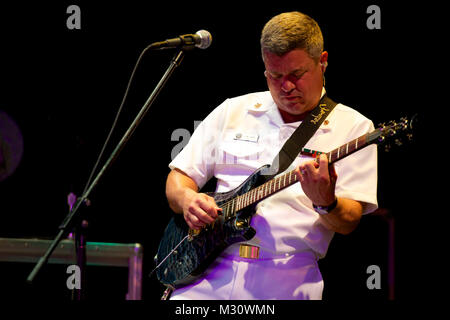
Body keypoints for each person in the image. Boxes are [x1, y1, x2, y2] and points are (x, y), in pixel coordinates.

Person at [165, 11, 378, 300]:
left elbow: (350, 220)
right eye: (275, 76)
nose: (286, 86)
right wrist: (189, 200)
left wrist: (325, 202)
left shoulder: (354, 127)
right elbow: (179, 177)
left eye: (296, 75)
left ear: (323, 61)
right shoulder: (234, 110)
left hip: (285, 280)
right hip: (204, 272)